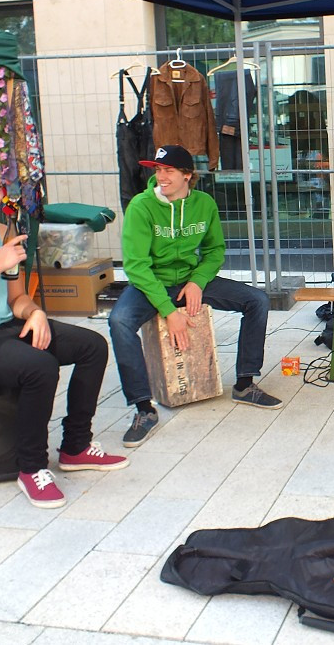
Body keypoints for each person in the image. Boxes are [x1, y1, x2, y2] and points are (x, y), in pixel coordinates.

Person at [0, 153, 127, 510]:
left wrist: (35, 313)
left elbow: (16, 297)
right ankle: (30, 467)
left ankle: (75, 447)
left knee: (91, 345)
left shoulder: (2, 231)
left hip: (2, 326)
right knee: (39, 366)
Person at [109, 145, 280, 448]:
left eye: (169, 171)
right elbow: (136, 265)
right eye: (158, 170)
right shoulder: (141, 206)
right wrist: (168, 309)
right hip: (151, 283)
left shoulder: (204, 204)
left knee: (257, 301)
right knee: (120, 320)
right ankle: (143, 409)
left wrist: (198, 282)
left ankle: (244, 383)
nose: (161, 176)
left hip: (190, 280)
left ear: (188, 175)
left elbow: (215, 251)